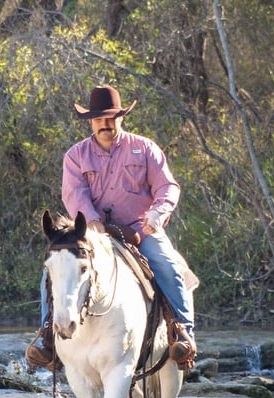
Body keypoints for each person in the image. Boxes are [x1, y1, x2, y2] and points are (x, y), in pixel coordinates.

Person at [26, 85, 196, 370]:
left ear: (121, 117)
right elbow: (74, 194)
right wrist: (93, 222)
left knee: (167, 265)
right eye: (99, 119)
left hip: (141, 229)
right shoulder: (76, 156)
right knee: (53, 271)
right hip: (94, 232)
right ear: (91, 121)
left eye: (111, 118)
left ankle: (182, 333)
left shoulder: (145, 149)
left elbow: (167, 186)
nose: (105, 123)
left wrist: (158, 213)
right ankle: (47, 337)